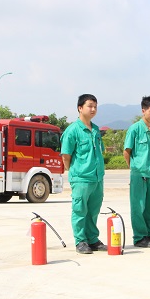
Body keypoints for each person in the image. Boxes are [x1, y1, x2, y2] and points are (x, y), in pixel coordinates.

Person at [60, 94, 107, 254]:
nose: (93, 109)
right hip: (81, 178)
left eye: (95, 106)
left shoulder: (95, 129)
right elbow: (66, 156)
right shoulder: (72, 131)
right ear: (80, 108)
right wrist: (75, 172)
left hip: (97, 178)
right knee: (80, 210)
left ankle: (92, 239)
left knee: (93, 210)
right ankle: (80, 241)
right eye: (90, 106)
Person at [123, 96, 150, 248]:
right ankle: (139, 237)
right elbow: (127, 151)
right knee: (138, 206)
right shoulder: (135, 129)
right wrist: (134, 168)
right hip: (139, 173)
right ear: (143, 111)